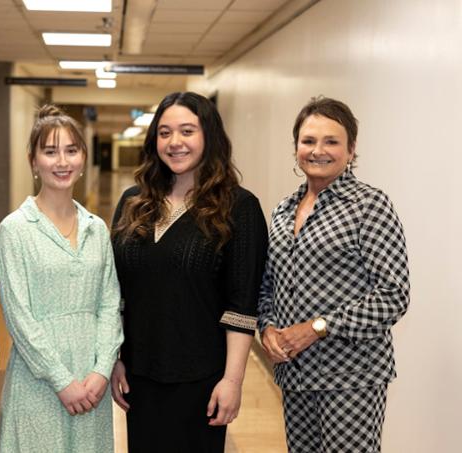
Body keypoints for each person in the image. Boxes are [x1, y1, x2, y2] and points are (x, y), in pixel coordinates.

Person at [110, 92, 268, 452]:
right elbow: (117, 292)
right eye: (164, 133)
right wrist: (117, 358)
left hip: (202, 379)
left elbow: (242, 305)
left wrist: (233, 380)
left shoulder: (239, 207)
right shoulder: (134, 202)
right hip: (140, 375)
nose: (175, 142)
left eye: (186, 131)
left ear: (208, 136)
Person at [258, 96, 410, 452]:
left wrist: (316, 328)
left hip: (351, 377)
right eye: (308, 141)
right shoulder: (283, 210)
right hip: (295, 375)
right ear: (296, 146)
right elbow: (268, 285)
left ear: (351, 149)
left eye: (331, 141)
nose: (318, 150)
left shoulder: (369, 206)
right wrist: (266, 327)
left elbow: (393, 296)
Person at [0, 105, 123, 452]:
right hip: (40, 379)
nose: (62, 162)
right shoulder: (15, 230)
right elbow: (18, 316)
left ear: (83, 158)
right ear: (33, 161)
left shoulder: (96, 229)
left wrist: (101, 370)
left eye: (71, 150)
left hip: (90, 377)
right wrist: (61, 380)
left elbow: (110, 303)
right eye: (50, 152)